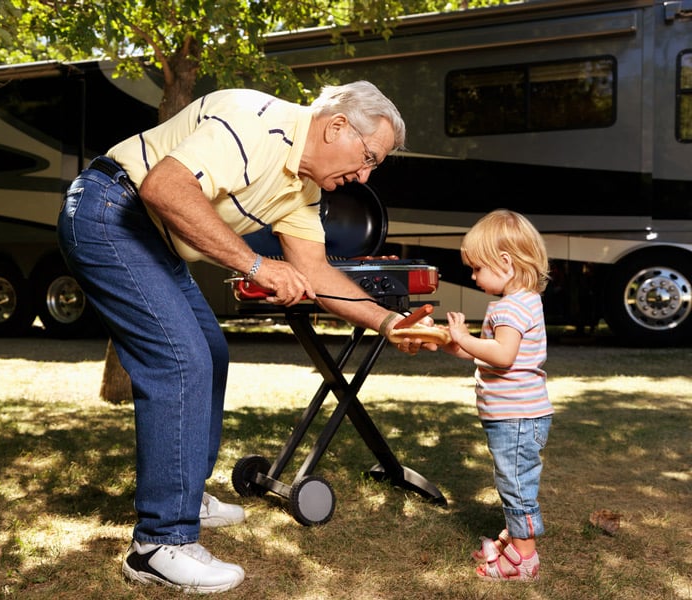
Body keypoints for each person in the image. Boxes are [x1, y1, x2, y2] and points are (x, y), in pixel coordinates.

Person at [57, 81, 428, 594]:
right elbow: (164, 187)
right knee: (181, 362)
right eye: (367, 158)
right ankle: (159, 543)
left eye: (374, 167)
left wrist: (388, 322)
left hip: (153, 235)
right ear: (336, 125)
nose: (365, 175)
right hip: (110, 212)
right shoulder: (257, 121)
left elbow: (315, 274)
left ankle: (185, 495)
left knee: (209, 351)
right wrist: (256, 264)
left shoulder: (305, 187)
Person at [440, 209, 553, 581]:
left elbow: (502, 356)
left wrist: (464, 338)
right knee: (512, 480)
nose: (473, 276)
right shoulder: (522, 302)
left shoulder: (511, 308)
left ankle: (524, 560)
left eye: (476, 268)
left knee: (516, 484)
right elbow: (488, 353)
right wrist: (452, 343)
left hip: (516, 417)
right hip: (515, 415)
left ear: (505, 262)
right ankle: (514, 538)